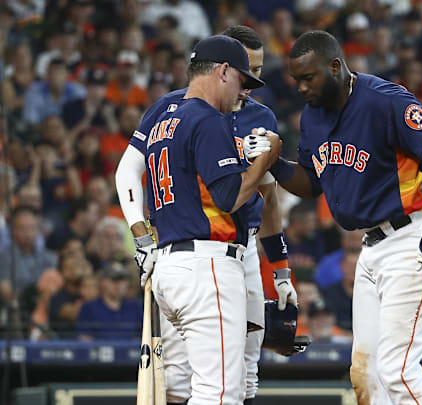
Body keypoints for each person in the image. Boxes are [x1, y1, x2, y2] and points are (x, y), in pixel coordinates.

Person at [245, 30, 422, 405]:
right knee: (366, 373)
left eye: (308, 77)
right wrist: (272, 162)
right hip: (372, 247)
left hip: (416, 233)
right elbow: (312, 183)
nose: (301, 88)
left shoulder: (385, 101)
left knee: (397, 371)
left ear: (335, 67)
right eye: (296, 80)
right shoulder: (313, 117)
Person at [115, 29, 293, 405]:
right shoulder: (206, 118)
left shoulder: (168, 118)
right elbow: (230, 198)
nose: (245, 91)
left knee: (194, 385)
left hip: (172, 259)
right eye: (244, 79)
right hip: (206, 262)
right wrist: (265, 159)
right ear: (223, 71)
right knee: (218, 392)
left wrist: (280, 269)